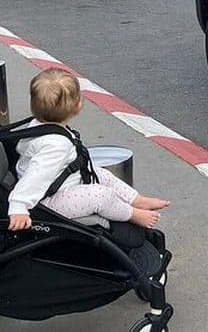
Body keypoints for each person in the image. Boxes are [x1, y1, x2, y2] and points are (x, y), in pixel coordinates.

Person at [7, 68, 169, 231]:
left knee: (101, 174)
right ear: (78, 106)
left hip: (58, 183)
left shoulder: (37, 126)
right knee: (101, 196)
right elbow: (37, 175)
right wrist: (19, 206)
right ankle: (133, 214)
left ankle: (137, 200)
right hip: (48, 200)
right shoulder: (56, 146)